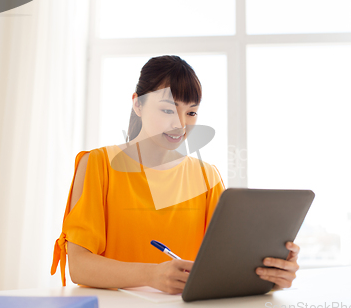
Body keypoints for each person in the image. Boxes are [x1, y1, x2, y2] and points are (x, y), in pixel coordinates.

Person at [50, 55, 301, 294]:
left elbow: (226, 264)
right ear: (138, 104)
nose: (181, 124)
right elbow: (79, 266)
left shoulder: (207, 177)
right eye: (168, 110)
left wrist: (271, 276)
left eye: (191, 112)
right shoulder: (98, 164)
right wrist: (152, 275)